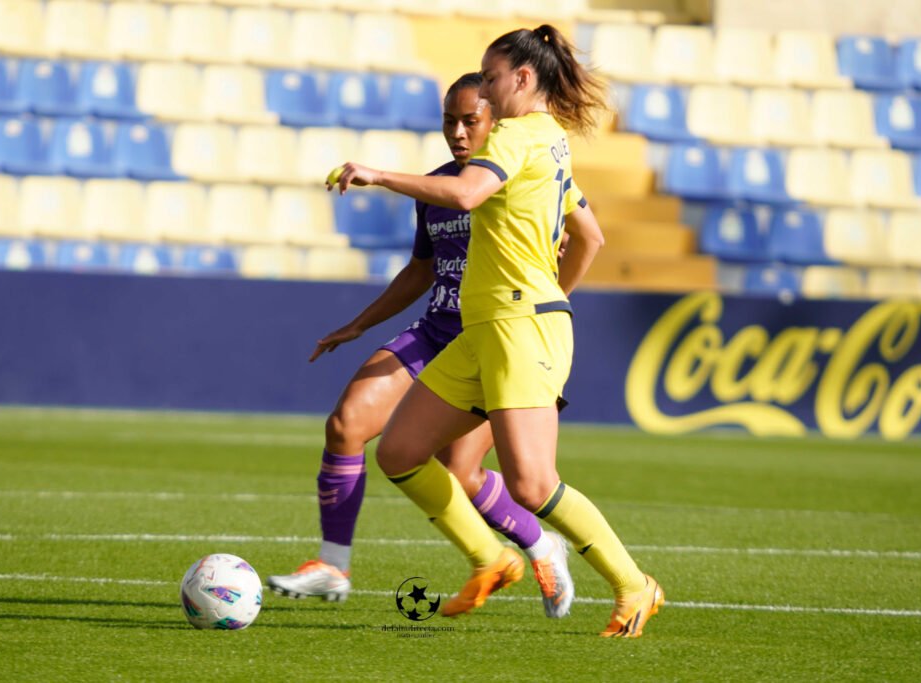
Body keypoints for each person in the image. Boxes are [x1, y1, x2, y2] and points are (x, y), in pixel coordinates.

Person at [328, 26, 664, 638]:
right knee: (400, 453)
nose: (484, 87)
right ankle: (491, 557)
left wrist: (379, 175)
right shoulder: (548, 139)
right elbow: (590, 236)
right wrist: (554, 294)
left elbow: (465, 193)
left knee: (532, 484)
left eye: (489, 77)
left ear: (523, 79)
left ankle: (634, 584)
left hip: (519, 329)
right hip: (486, 329)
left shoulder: (515, 135)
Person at [267, 73, 575, 619]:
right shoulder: (436, 188)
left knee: (460, 470)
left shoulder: (526, 176)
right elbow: (421, 271)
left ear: (498, 119)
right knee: (346, 424)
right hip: (436, 333)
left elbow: (585, 236)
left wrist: (545, 307)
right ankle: (333, 565)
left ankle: (540, 545)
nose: (457, 132)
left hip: (495, 342)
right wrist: (357, 325)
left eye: (470, 121)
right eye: (448, 121)